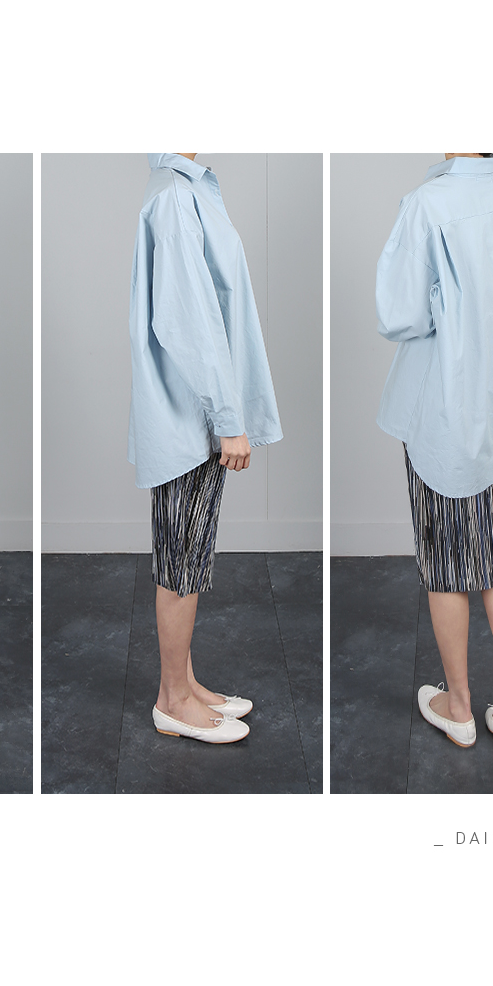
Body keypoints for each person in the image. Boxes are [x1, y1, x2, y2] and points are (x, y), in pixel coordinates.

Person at [375, 150, 493, 759]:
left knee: (445, 561)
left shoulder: (427, 204)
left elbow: (398, 315)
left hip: (446, 410)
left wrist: (448, 304)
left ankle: (458, 706)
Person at [129, 147, 282, 740]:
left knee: (187, 555)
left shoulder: (186, 189)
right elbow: (188, 321)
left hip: (192, 413)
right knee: (181, 563)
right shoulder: (176, 197)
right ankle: (172, 700)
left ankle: (186, 682)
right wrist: (228, 418)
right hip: (188, 417)